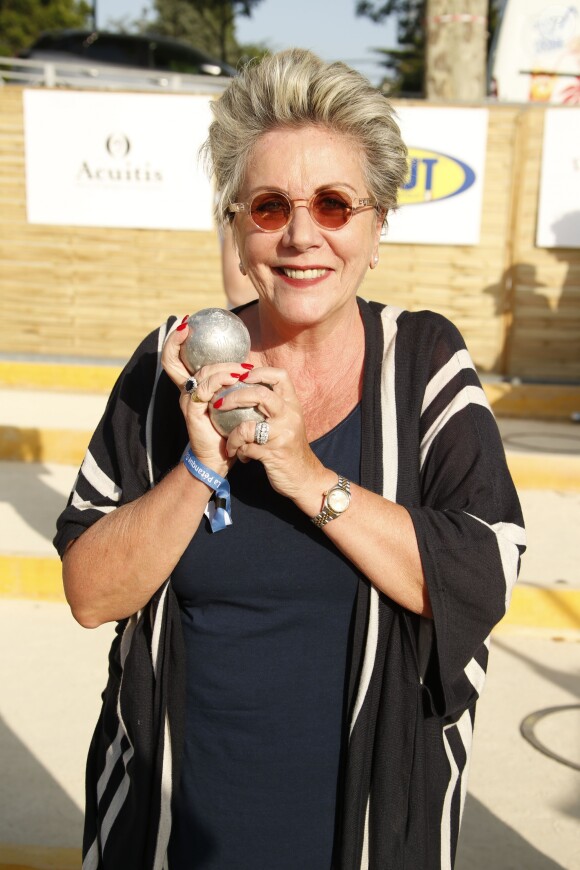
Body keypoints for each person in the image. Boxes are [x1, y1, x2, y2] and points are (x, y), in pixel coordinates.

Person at [54, 49, 526, 870]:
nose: (303, 234)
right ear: (238, 226)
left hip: (372, 838)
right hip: (170, 839)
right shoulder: (169, 367)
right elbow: (91, 595)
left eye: (335, 205)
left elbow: (481, 577)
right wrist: (198, 468)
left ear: (377, 227)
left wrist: (307, 475)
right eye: (270, 206)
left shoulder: (424, 364)